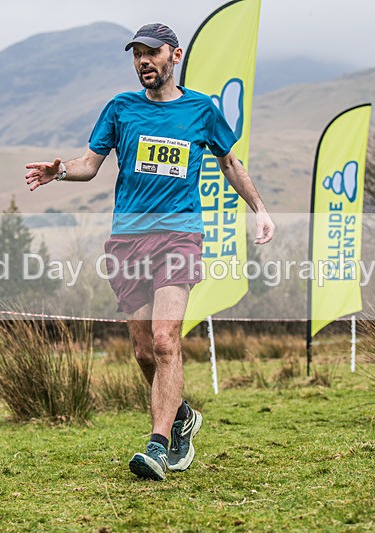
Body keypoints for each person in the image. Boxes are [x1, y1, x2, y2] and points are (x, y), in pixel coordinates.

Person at [25, 23, 275, 481]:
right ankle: (180, 415)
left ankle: (159, 446)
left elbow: (229, 162)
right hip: (127, 241)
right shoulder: (121, 109)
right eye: (136, 54)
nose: (143, 61)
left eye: (151, 53)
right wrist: (60, 172)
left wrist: (259, 209)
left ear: (173, 56)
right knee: (143, 353)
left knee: (165, 340)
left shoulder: (201, 110)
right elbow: (90, 164)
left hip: (179, 237)